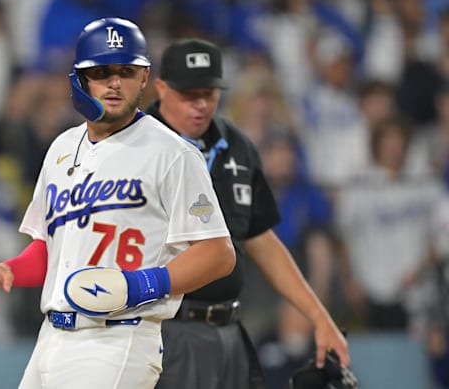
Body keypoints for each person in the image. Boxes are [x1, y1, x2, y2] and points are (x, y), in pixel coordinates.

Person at [0, 17, 236, 389]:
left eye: (126, 71)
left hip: (119, 336)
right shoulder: (61, 149)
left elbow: (218, 252)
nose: (114, 82)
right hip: (51, 337)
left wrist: (142, 284)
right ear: (81, 79)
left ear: (144, 77)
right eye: (102, 72)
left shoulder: (172, 153)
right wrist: (9, 270)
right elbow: (53, 250)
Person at [146, 38, 350, 389]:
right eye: (188, 94)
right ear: (161, 88)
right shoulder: (132, 146)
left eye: (208, 93)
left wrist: (318, 315)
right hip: (162, 331)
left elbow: (261, 239)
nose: (200, 105)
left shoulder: (237, 146)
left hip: (228, 330)